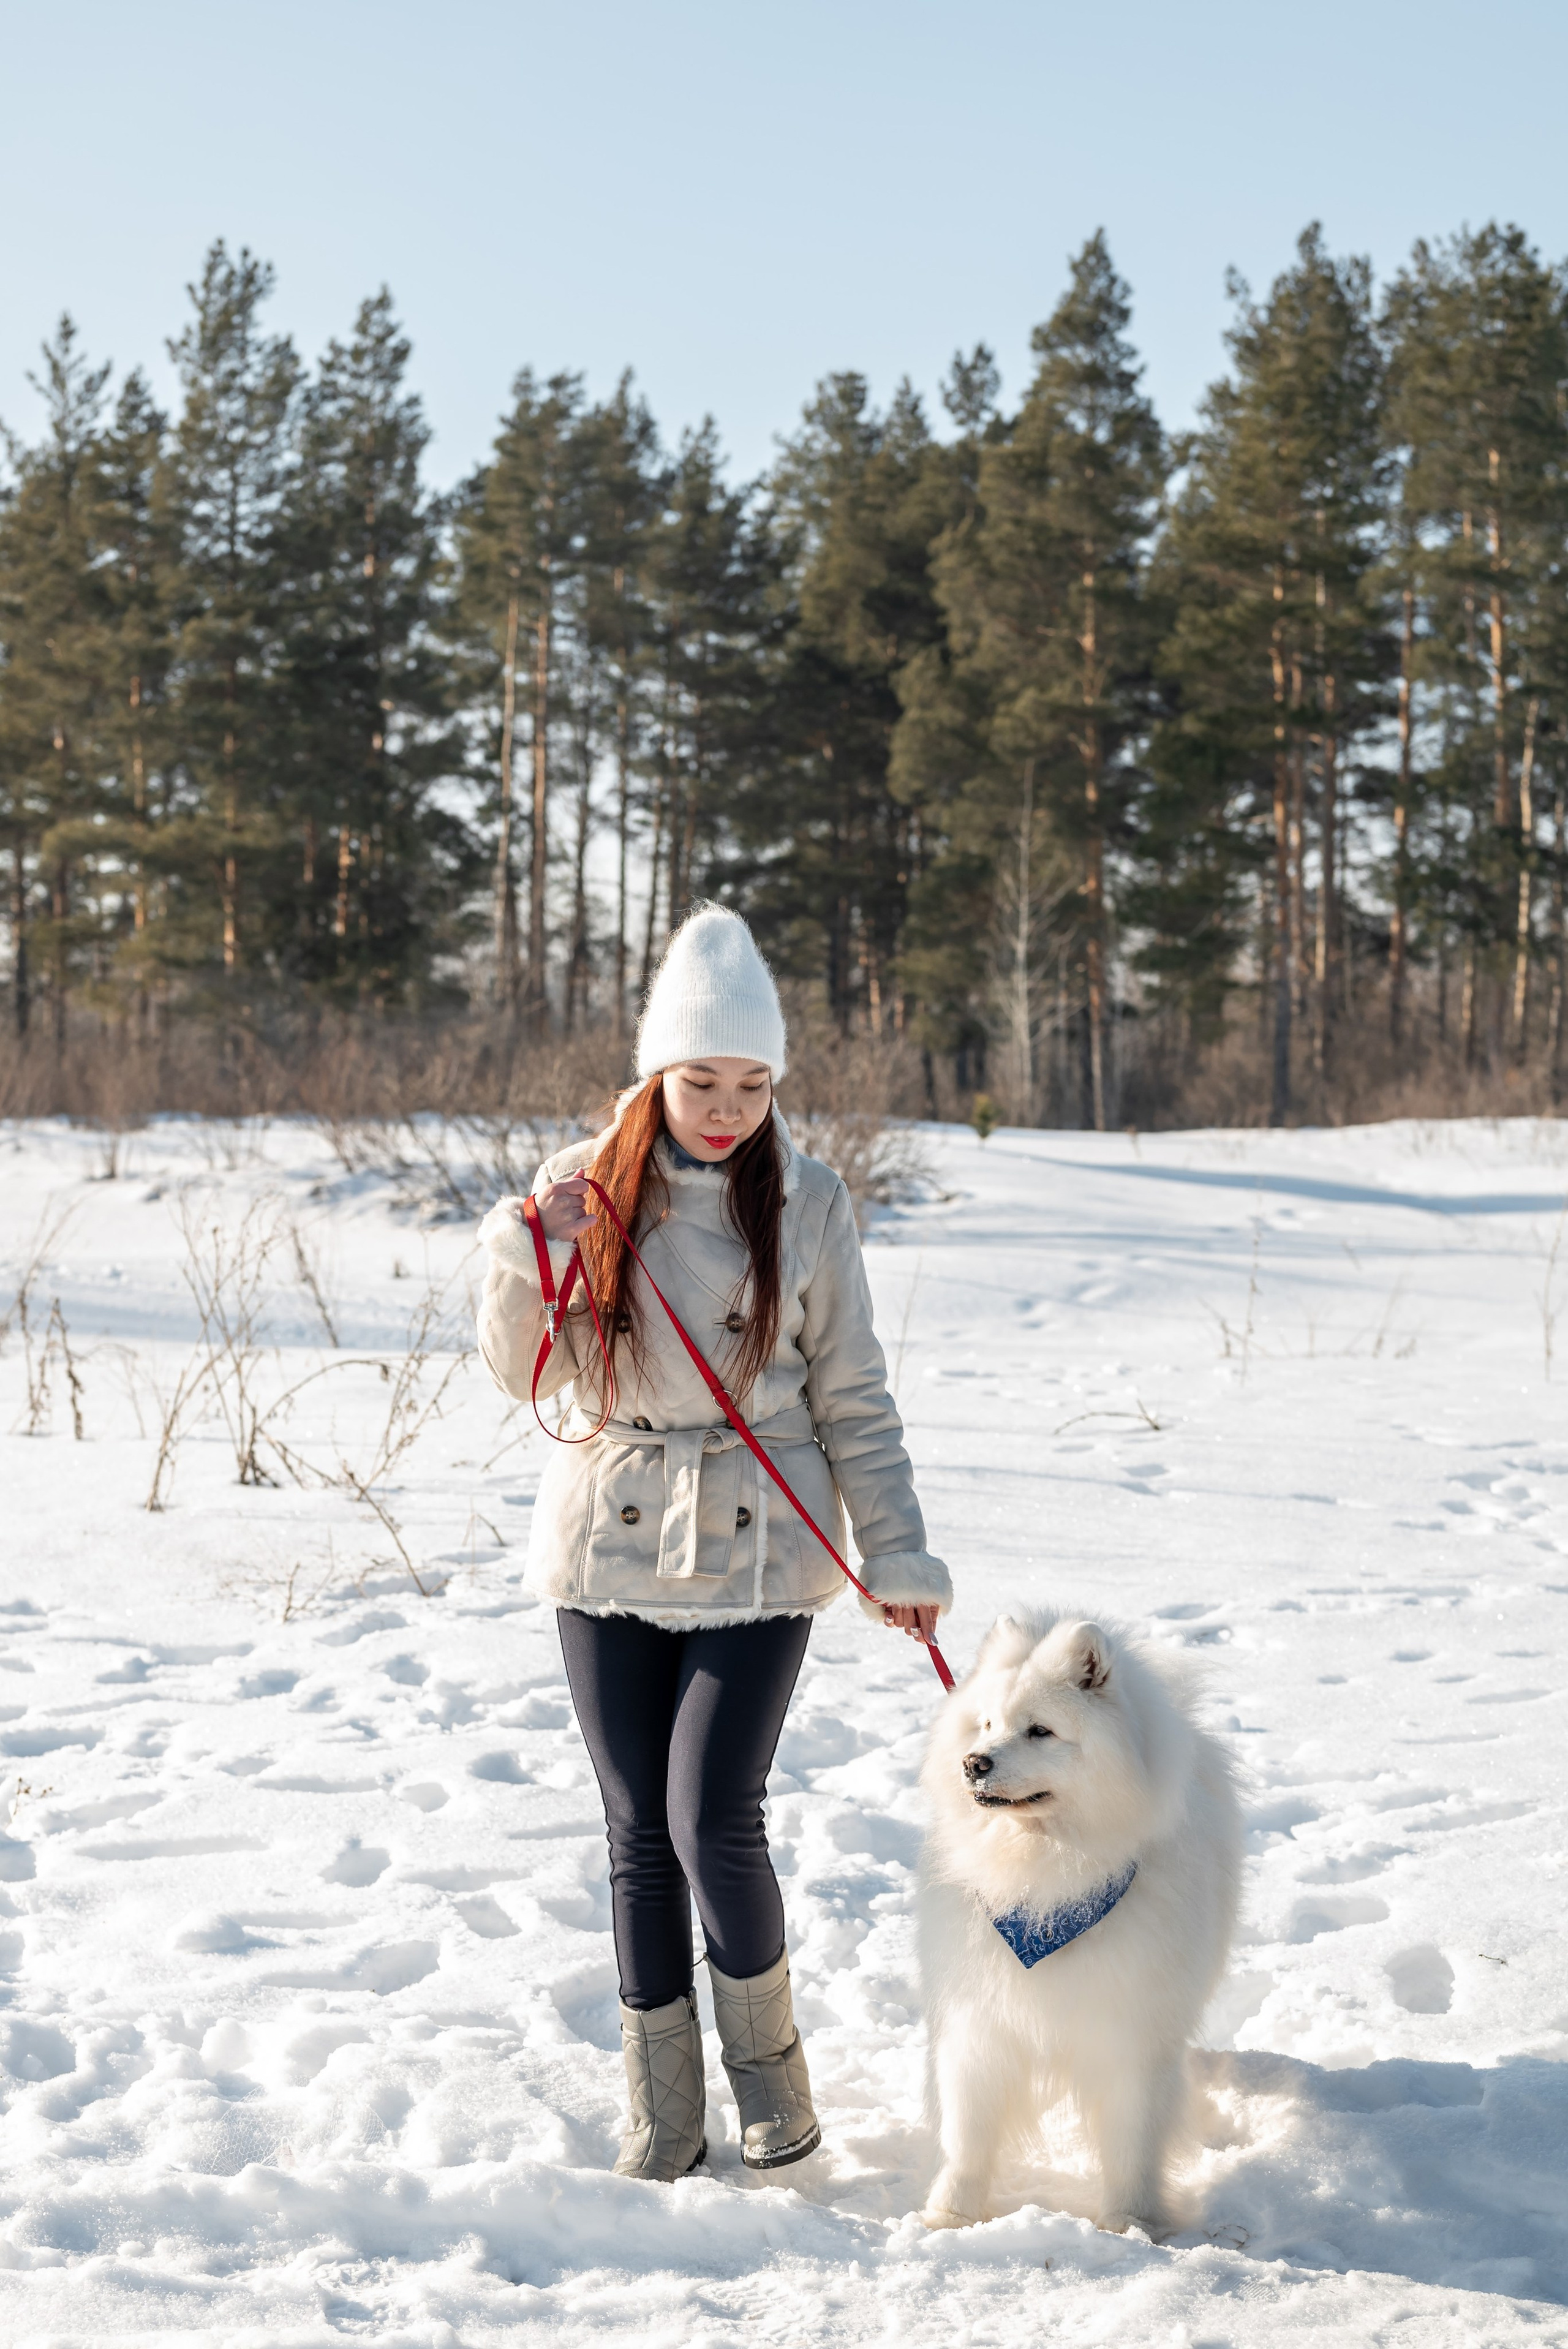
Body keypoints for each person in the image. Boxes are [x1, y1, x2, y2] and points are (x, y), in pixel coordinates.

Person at [476, 905, 952, 2182]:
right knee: (634, 1822)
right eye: (701, 1080)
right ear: (654, 1072)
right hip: (607, 1534)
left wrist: (894, 1554)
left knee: (711, 1814)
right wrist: (533, 1252)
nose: (727, 1106)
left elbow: (852, 1394)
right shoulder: (585, 1181)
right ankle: (661, 2112)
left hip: (758, 1539)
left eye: (752, 1081)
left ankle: (772, 2088)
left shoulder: (808, 1198)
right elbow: (528, 1366)